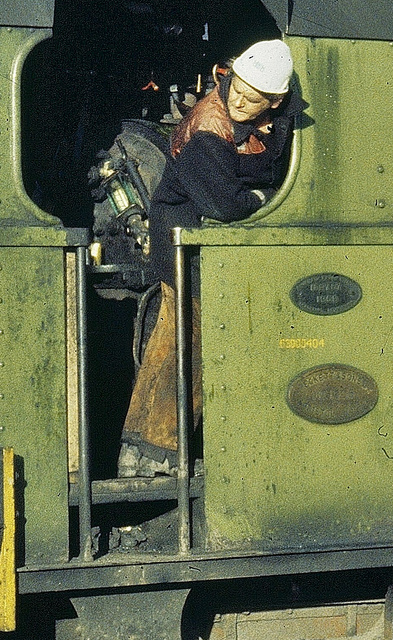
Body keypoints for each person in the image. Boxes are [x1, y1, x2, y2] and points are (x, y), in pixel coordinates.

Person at [118, 39, 297, 477]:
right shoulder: (207, 129)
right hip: (187, 241)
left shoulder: (272, 117)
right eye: (236, 89)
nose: (238, 101)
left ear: (274, 101)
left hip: (189, 239)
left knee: (169, 342)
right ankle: (165, 453)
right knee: (194, 347)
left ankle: (136, 451)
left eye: (252, 98)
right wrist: (262, 198)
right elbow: (224, 203)